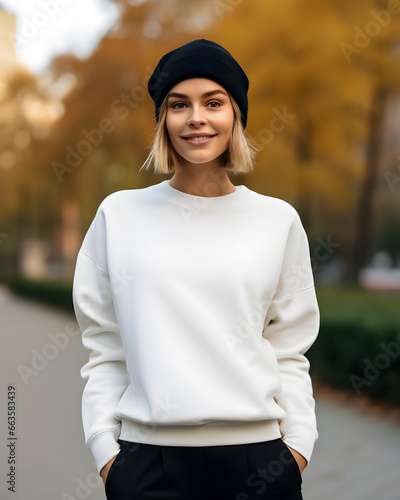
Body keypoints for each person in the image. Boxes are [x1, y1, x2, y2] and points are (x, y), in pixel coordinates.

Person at [72, 39, 320, 500]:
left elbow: (289, 349)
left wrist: (299, 445)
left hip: (260, 463)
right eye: (178, 104)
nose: (196, 118)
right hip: (148, 464)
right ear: (164, 120)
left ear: (236, 116)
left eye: (214, 102)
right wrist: (107, 455)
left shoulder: (277, 220)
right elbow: (104, 347)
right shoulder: (119, 215)